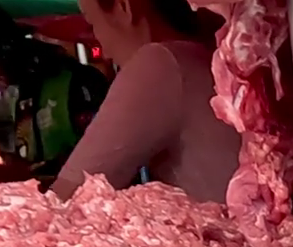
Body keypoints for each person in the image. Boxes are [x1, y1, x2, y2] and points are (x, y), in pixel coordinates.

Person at [50, 0, 238, 203]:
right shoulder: (206, 54)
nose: (104, 52)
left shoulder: (160, 63)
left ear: (124, 7)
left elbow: (65, 198)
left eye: (92, 25)